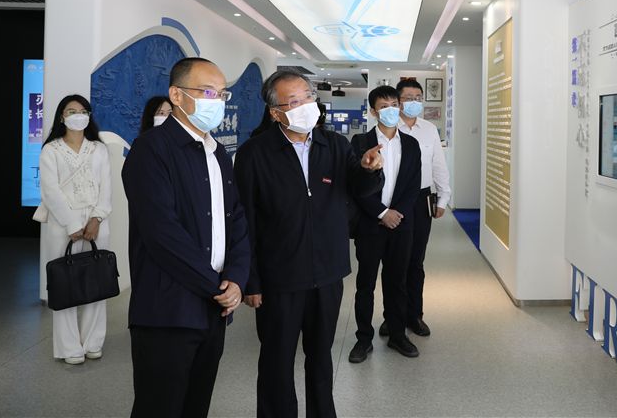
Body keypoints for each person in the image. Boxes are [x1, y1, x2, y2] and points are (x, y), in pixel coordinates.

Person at [234, 69, 384, 418]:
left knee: (321, 357)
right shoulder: (255, 153)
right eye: (294, 101)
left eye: (308, 97)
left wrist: (368, 170)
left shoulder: (335, 146)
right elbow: (245, 221)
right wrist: (250, 280)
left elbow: (360, 191)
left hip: (327, 272)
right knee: (276, 361)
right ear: (276, 113)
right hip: (279, 277)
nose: (305, 105)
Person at [122, 57, 250, 418]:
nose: (217, 101)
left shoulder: (217, 152)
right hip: (167, 310)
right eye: (207, 92)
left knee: (196, 405)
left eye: (221, 94)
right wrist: (216, 286)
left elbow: (235, 218)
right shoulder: (150, 150)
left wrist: (236, 279)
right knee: (159, 408)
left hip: (214, 308)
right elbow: (162, 233)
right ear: (176, 95)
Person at [348, 85, 422, 363]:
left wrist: (396, 213)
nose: (391, 110)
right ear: (373, 111)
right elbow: (355, 187)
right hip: (370, 225)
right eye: (384, 106)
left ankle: (397, 334)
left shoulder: (411, 144)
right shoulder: (359, 142)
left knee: (397, 282)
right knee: (365, 284)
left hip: (401, 225)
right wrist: (381, 213)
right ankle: (363, 339)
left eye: (394, 104)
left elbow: (413, 186)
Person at [39, 94, 112, 365]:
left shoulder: (99, 149)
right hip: (63, 224)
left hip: (96, 223)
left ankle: (93, 342)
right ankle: (69, 347)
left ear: (89, 116)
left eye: (82, 111)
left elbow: (106, 188)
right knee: (64, 284)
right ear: (62, 116)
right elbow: (50, 191)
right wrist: (72, 223)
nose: (77, 115)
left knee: (97, 281)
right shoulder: (51, 150)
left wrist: (96, 218)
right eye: (71, 111)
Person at [390, 78, 451, 337]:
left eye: (418, 98)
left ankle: (415, 315)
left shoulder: (429, 129)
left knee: (416, 261)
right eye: (408, 98)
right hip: (394, 200)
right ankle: (392, 316)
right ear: (398, 101)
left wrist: (443, 197)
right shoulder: (389, 127)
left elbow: (438, 164)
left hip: (422, 199)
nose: (414, 102)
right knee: (395, 262)